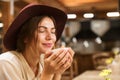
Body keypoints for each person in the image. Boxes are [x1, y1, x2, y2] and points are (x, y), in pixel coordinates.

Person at [0, 3, 75, 80]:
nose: (50, 37)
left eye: (53, 32)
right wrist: (47, 74)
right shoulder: (6, 63)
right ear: (25, 37)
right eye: (42, 30)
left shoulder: (42, 61)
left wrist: (58, 72)